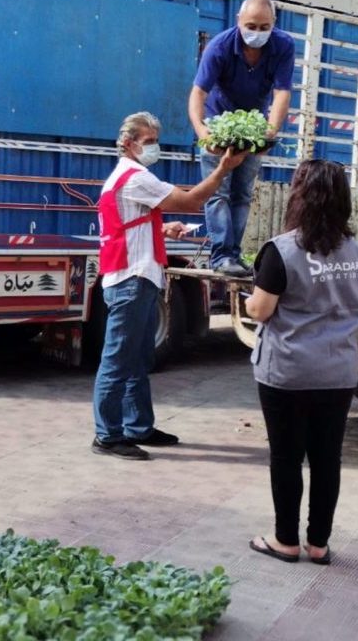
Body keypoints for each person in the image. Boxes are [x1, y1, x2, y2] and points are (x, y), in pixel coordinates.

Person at [92, 111, 247, 461]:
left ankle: (138, 426)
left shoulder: (121, 179)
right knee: (119, 360)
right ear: (129, 144)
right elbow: (192, 201)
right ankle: (107, 435)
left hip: (133, 276)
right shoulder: (135, 177)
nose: (154, 148)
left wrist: (162, 228)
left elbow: (126, 224)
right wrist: (223, 169)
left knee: (137, 358)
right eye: (148, 142)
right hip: (132, 279)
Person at [245, 159, 358, 564]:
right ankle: (319, 544)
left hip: (288, 372)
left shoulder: (282, 250)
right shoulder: (355, 251)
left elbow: (261, 311)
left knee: (287, 456)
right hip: (338, 372)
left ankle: (285, 540)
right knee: (327, 458)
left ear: (299, 196)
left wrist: (248, 299)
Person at [188, 0, 295, 277]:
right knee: (218, 191)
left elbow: (282, 92)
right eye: (251, 25)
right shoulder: (220, 47)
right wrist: (203, 132)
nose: (257, 32)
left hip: (253, 125)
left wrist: (269, 133)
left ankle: (233, 256)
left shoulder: (283, 45)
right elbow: (198, 93)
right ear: (238, 21)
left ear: (273, 24)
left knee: (243, 194)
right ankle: (221, 255)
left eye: (264, 27)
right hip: (220, 123)